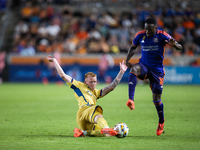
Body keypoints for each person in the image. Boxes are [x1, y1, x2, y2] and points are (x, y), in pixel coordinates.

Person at [125, 18, 182, 136]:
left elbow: (180, 46)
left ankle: (161, 121)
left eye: (150, 30)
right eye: (146, 28)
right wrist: (126, 60)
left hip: (157, 71)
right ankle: (131, 100)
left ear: (156, 28)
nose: (147, 32)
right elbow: (132, 47)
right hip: (144, 66)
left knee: (156, 100)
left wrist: (175, 45)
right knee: (134, 69)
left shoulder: (162, 35)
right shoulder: (140, 35)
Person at [47, 55, 127, 137]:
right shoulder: (78, 85)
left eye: (95, 82)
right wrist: (54, 60)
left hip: (84, 123)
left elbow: (111, 87)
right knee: (96, 111)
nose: (93, 84)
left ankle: (82, 132)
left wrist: (121, 72)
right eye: (91, 82)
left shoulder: (96, 92)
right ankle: (106, 127)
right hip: (84, 111)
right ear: (85, 82)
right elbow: (63, 75)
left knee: (105, 134)